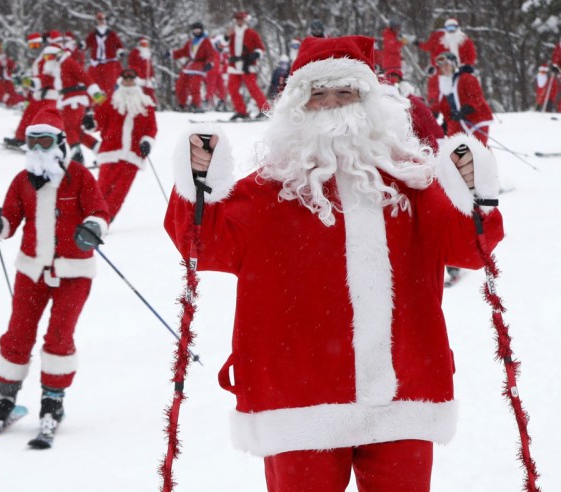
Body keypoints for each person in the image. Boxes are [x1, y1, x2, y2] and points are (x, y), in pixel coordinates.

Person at [165, 35, 504, 491]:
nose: (330, 105)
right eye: (317, 94)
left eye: (344, 93)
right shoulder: (267, 190)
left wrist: (475, 195)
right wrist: (197, 185)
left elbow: (470, 248)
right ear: (295, 109)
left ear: (369, 102)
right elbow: (200, 243)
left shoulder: (413, 183)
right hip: (298, 401)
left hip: (403, 393)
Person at [0, 109, 109, 438]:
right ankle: (4, 397)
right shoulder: (22, 181)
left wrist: (92, 227)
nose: (37, 148)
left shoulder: (78, 176)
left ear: (60, 143)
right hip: (31, 270)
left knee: (59, 335)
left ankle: (53, 398)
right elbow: (9, 222)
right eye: (31, 141)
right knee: (18, 332)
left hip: (73, 271)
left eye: (44, 141)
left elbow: (99, 211)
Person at [94, 68, 157, 221]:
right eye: (125, 78)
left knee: (119, 192)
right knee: (102, 188)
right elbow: (99, 121)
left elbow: (151, 128)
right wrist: (91, 122)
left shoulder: (145, 104)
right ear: (120, 80)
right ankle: (93, 216)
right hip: (110, 152)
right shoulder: (110, 101)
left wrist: (147, 142)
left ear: (136, 81)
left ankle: (105, 220)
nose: (128, 81)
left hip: (133, 154)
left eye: (131, 78)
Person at [50, 45, 106, 164]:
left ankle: (77, 156)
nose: (51, 58)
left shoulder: (69, 62)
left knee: (69, 128)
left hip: (74, 101)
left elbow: (84, 77)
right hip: (68, 100)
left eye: (52, 55)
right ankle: (101, 151)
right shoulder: (60, 65)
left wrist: (96, 94)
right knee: (76, 131)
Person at [5, 42, 62, 148]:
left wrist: (29, 82)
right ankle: (20, 138)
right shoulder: (41, 58)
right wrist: (26, 81)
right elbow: (40, 77)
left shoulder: (55, 62)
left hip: (50, 95)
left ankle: (49, 143)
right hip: (39, 94)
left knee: (44, 121)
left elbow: (46, 78)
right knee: (28, 116)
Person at [417, 18, 477, 117]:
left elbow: (471, 55)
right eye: (449, 28)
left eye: (453, 27)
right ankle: (438, 112)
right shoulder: (443, 41)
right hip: (446, 72)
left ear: (457, 27)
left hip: (461, 71)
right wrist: (434, 67)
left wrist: (466, 65)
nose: (451, 30)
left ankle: (463, 110)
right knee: (441, 91)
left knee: (462, 91)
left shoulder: (464, 40)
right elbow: (437, 56)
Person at [436, 51, 493, 145]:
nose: (444, 68)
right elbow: (446, 107)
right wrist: (446, 122)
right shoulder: (445, 84)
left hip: (476, 119)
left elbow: (476, 97)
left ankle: (484, 159)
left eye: (447, 65)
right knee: (455, 150)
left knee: (477, 149)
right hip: (458, 121)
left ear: (453, 64)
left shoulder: (466, 78)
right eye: (441, 66)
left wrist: (466, 109)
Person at [226, 11, 269, 120]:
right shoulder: (231, 33)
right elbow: (221, 45)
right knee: (232, 89)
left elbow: (261, 49)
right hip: (234, 66)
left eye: (241, 19)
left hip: (247, 65)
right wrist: (226, 37)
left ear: (245, 20)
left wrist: (255, 54)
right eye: (237, 19)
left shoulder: (252, 33)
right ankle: (241, 111)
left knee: (253, 88)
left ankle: (266, 110)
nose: (239, 21)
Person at [169, 22, 218, 112]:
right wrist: (171, 54)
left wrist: (210, 63)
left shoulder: (206, 41)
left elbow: (211, 54)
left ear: (202, 30)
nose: (196, 31)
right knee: (180, 85)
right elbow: (183, 52)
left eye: (198, 29)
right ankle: (182, 104)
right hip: (189, 66)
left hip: (199, 66)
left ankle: (195, 104)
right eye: (195, 29)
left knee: (194, 86)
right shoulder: (191, 42)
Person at [85, 11, 125, 97]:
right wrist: (82, 45)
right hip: (96, 62)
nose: (101, 21)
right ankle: (97, 104)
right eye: (99, 19)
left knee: (110, 84)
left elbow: (118, 44)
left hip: (109, 62)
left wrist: (120, 51)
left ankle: (110, 102)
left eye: (102, 19)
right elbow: (87, 43)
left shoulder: (111, 34)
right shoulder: (93, 34)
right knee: (94, 83)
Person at [128, 36, 157, 101]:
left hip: (147, 79)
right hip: (139, 78)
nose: (145, 46)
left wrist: (151, 76)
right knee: (139, 95)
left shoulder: (147, 53)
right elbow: (132, 65)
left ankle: (152, 108)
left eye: (146, 44)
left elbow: (150, 67)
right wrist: (138, 75)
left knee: (150, 95)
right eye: (143, 44)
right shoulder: (135, 52)